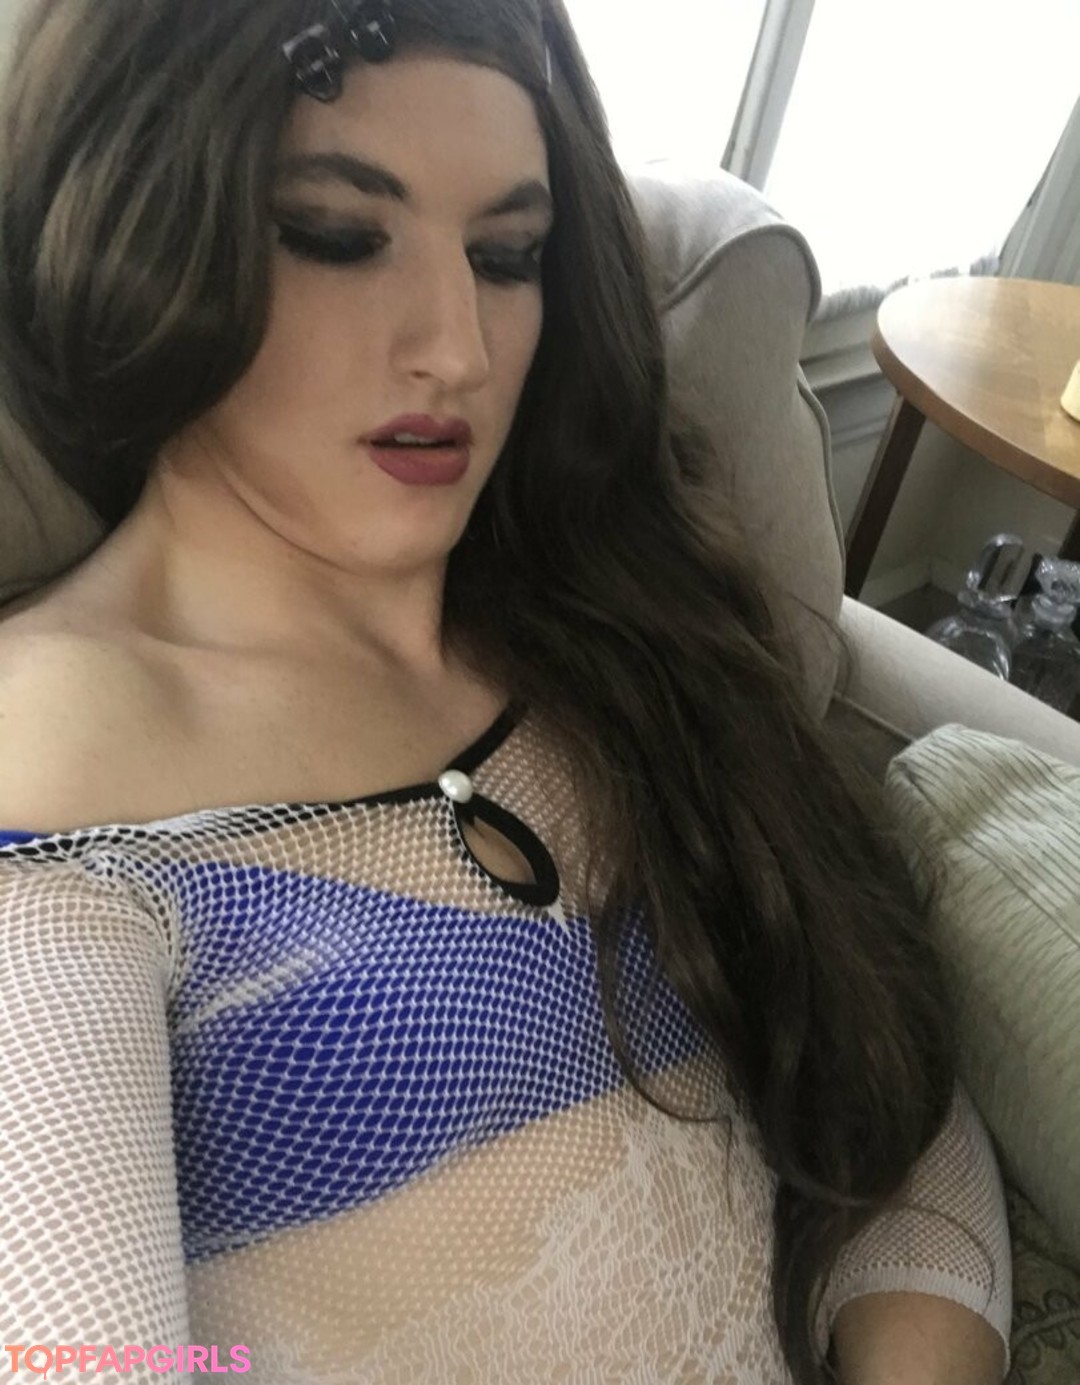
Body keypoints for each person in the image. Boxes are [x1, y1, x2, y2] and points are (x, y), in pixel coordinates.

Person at [0, 0, 1010, 1381]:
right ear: (140, 247)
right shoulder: (51, 775)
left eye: (507, 255)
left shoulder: (615, 625)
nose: (460, 349)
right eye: (337, 234)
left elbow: (885, 1081)